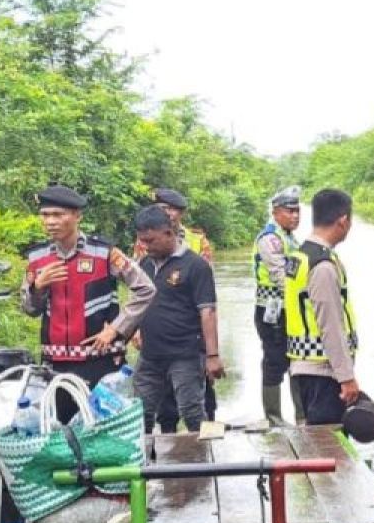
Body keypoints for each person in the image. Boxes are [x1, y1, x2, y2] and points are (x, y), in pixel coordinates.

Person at [21, 185, 156, 421]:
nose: (50, 221)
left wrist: (116, 328)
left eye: (58, 214)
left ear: (77, 216)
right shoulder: (37, 258)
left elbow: (146, 289)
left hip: (102, 363)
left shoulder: (104, 253)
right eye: (45, 215)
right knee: (62, 435)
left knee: (105, 433)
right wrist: (38, 287)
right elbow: (30, 309)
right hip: (56, 366)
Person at [132, 205, 224, 433]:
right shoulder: (144, 265)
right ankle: (145, 462)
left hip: (185, 354)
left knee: (192, 411)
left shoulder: (196, 266)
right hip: (150, 355)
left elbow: (208, 312)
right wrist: (133, 331)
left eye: (151, 240)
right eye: (142, 240)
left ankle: (204, 463)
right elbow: (136, 302)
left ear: (169, 233)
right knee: (139, 412)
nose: (145, 246)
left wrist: (212, 356)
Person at [286, 188, 361, 425]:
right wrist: (346, 377)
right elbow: (331, 326)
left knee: (314, 443)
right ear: (343, 221)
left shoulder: (300, 256)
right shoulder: (322, 266)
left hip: (302, 368)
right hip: (322, 373)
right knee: (329, 449)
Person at [254, 185, 302, 422]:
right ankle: (273, 418)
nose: (294, 216)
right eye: (289, 211)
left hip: (291, 310)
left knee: (297, 360)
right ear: (275, 212)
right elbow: (280, 276)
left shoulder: (291, 238)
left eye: (297, 211)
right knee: (274, 362)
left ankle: (302, 416)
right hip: (271, 311)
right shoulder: (270, 238)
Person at [133, 187, 214, 264]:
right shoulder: (146, 240)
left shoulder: (199, 241)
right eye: (162, 208)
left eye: (171, 209)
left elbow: (206, 274)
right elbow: (138, 271)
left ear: (182, 213)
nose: (167, 214)